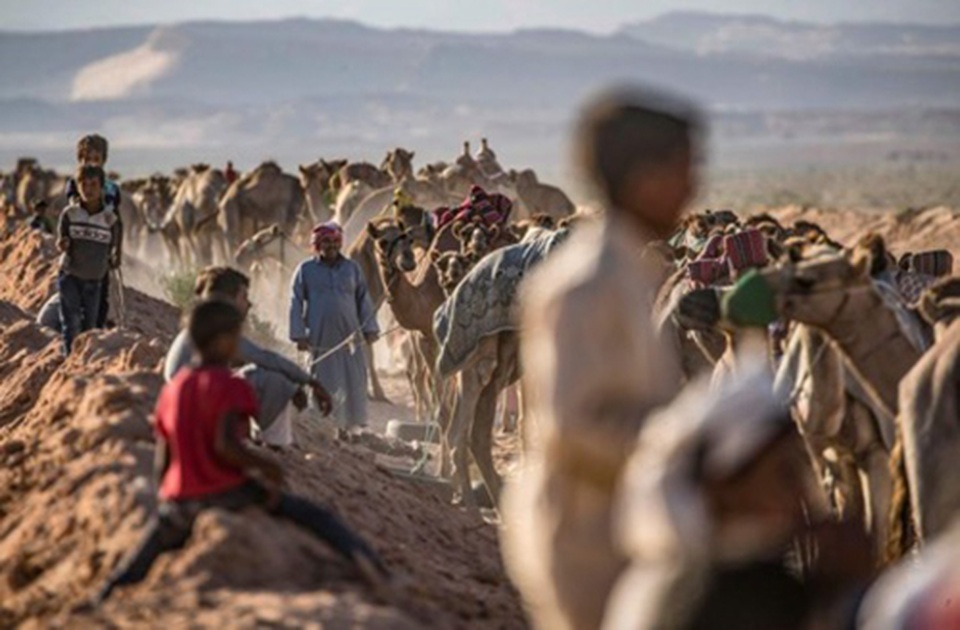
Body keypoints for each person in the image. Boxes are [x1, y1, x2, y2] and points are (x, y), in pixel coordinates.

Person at [501, 87, 698, 630]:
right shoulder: (588, 285)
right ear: (644, 178)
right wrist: (698, 460)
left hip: (627, 530)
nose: (692, 187)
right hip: (588, 542)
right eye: (684, 170)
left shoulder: (629, 274)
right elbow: (577, 425)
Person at [94, 300, 388, 604]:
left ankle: (105, 593)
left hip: (181, 496)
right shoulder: (229, 385)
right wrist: (269, 469)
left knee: (147, 551)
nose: (239, 345)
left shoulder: (174, 388)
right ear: (223, 341)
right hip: (224, 492)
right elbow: (226, 446)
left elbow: (165, 453)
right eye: (237, 337)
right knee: (316, 516)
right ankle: (373, 566)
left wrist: (167, 494)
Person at [164, 266, 332, 446]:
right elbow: (266, 358)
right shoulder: (217, 329)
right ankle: (275, 443)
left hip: (192, 401)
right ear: (228, 300)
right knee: (274, 381)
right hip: (198, 408)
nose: (249, 304)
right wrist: (309, 382)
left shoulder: (202, 326)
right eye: (244, 297)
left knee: (263, 376)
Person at [289, 222, 379, 430]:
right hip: (320, 336)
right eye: (326, 241)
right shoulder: (305, 270)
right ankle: (326, 425)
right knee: (323, 379)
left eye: (334, 241)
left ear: (340, 243)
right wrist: (298, 334)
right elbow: (295, 301)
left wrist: (370, 328)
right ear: (317, 244)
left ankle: (351, 427)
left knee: (353, 379)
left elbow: (363, 299)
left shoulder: (352, 269)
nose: (330, 246)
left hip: (350, 337)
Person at [57, 164, 121, 355]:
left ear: (102, 187)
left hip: (95, 280)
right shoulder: (69, 214)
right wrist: (63, 244)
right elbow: (61, 239)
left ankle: (85, 360)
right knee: (71, 321)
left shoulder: (109, 219)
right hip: (70, 275)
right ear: (77, 187)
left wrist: (116, 256)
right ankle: (70, 359)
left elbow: (115, 244)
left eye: (94, 184)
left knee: (90, 326)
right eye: (84, 184)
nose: (89, 189)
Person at [65, 133, 122, 329]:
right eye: (86, 159)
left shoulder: (112, 189)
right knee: (74, 290)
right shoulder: (75, 184)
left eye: (95, 159)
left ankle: (97, 327)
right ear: (79, 160)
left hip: (101, 249)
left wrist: (116, 249)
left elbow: (116, 221)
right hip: (79, 248)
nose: (91, 164)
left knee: (102, 290)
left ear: (104, 160)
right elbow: (70, 213)